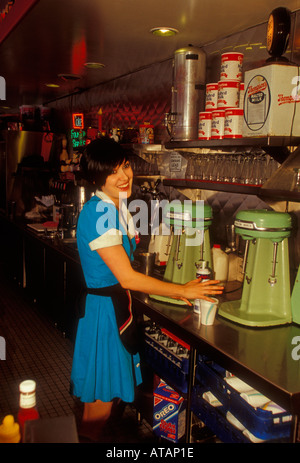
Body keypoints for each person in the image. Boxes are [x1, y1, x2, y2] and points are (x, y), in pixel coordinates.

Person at [70, 137, 224, 442]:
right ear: (98, 178)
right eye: (112, 172)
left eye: (125, 166)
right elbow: (126, 278)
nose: (123, 176)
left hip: (113, 310)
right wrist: (183, 291)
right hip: (105, 317)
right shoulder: (99, 214)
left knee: (106, 401)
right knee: (97, 412)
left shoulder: (114, 206)